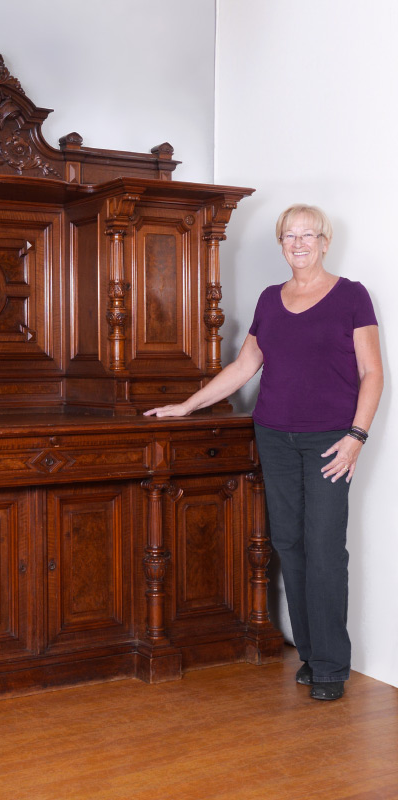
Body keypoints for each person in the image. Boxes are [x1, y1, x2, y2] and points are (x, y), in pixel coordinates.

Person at [144, 203, 383, 701]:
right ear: (281, 244)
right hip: (273, 435)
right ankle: (312, 654)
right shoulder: (271, 300)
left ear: (324, 240)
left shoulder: (352, 296)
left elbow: (373, 373)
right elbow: (245, 364)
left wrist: (356, 437)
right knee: (289, 546)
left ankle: (332, 665)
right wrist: (187, 406)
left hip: (330, 442)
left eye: (308, 235)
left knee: (323, 550)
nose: (298, 243)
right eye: (289, 236)